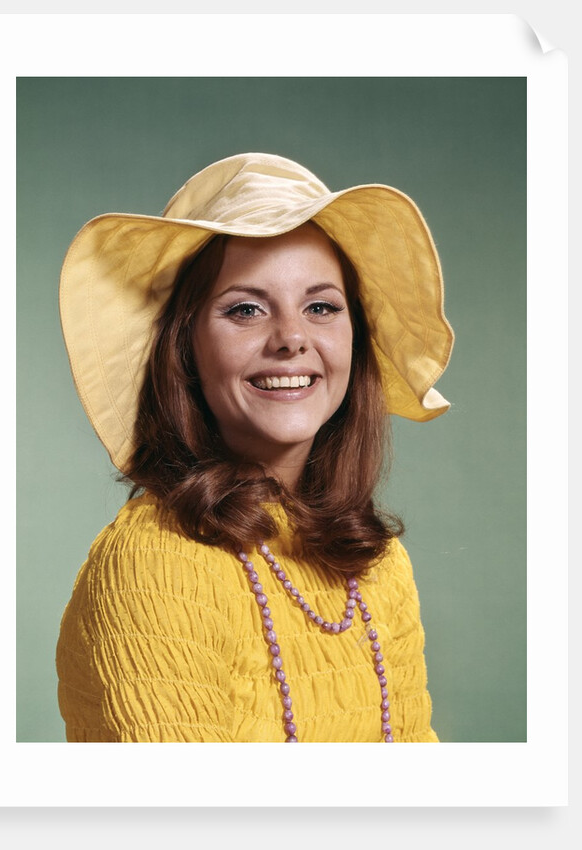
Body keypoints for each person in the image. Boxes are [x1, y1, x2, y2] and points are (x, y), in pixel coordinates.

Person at [55, 152, 454, 743]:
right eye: (245, 309)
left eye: (321, 307)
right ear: (185, 349)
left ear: (356, 340)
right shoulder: (153, 565)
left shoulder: (375, 563)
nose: (292, 338)